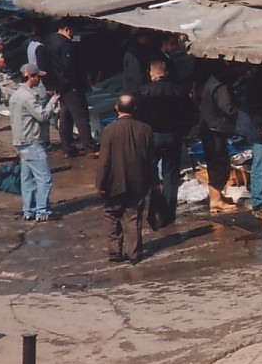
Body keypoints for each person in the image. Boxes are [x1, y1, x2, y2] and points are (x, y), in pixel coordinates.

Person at [96, 95, 157, 264]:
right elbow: (151, 158)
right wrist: (153, 180)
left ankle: (115, 251)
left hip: (114, 182)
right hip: (138, 180)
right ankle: (134, 252)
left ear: (117, 108)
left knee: (111, 215)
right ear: (135, 109)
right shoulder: (145, 129)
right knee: (133, 216)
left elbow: (105, 160)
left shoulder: (109, 130)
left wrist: (100, 183)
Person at [136, 59, 196, 222]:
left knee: (149, 172)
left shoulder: (144, 91)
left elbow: (137, 115)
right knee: (171, 175)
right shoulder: (179, 91)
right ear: (166, 73)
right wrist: (184, 131)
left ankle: (151, 208)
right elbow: (191, 113)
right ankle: (168, 212)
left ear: (151, 74)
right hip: (173, 136)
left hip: (151, 137)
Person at [9, 64, 61, 222]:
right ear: (29, 76)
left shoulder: (16, 95)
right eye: (38, 76)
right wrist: (52, 102)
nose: (40, 79)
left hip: (21, 141)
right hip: (32, 141)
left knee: (28, 179)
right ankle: (43, 212)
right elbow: (42, 116)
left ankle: (29, 210)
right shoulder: (28, 97)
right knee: (44, 178)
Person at [45, 19, 98, 158]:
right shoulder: (65, 44)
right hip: (70, 86)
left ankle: (67, 147)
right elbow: (68, 66)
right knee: (80, 116)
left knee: (65, 116)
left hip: (60, 85)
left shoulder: (49, 41)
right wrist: (73, 84)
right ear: (67, 29)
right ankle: (89, 147)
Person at [197, 66, 239, 214]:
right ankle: (216, 200)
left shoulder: (211, 82)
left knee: (214, 163)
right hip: (215, 128)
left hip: (209, 126)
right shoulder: (220, 86)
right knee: (219, 163)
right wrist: (241, 115)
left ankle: (217, 197)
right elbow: (227, 107)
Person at [235, 67, 262, 217]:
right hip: (256, 128)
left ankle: (259, 200)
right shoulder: (259, 83)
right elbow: (257, 109)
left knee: (259, 166)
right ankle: (259, 203)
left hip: (254, 127)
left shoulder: (258, 81)